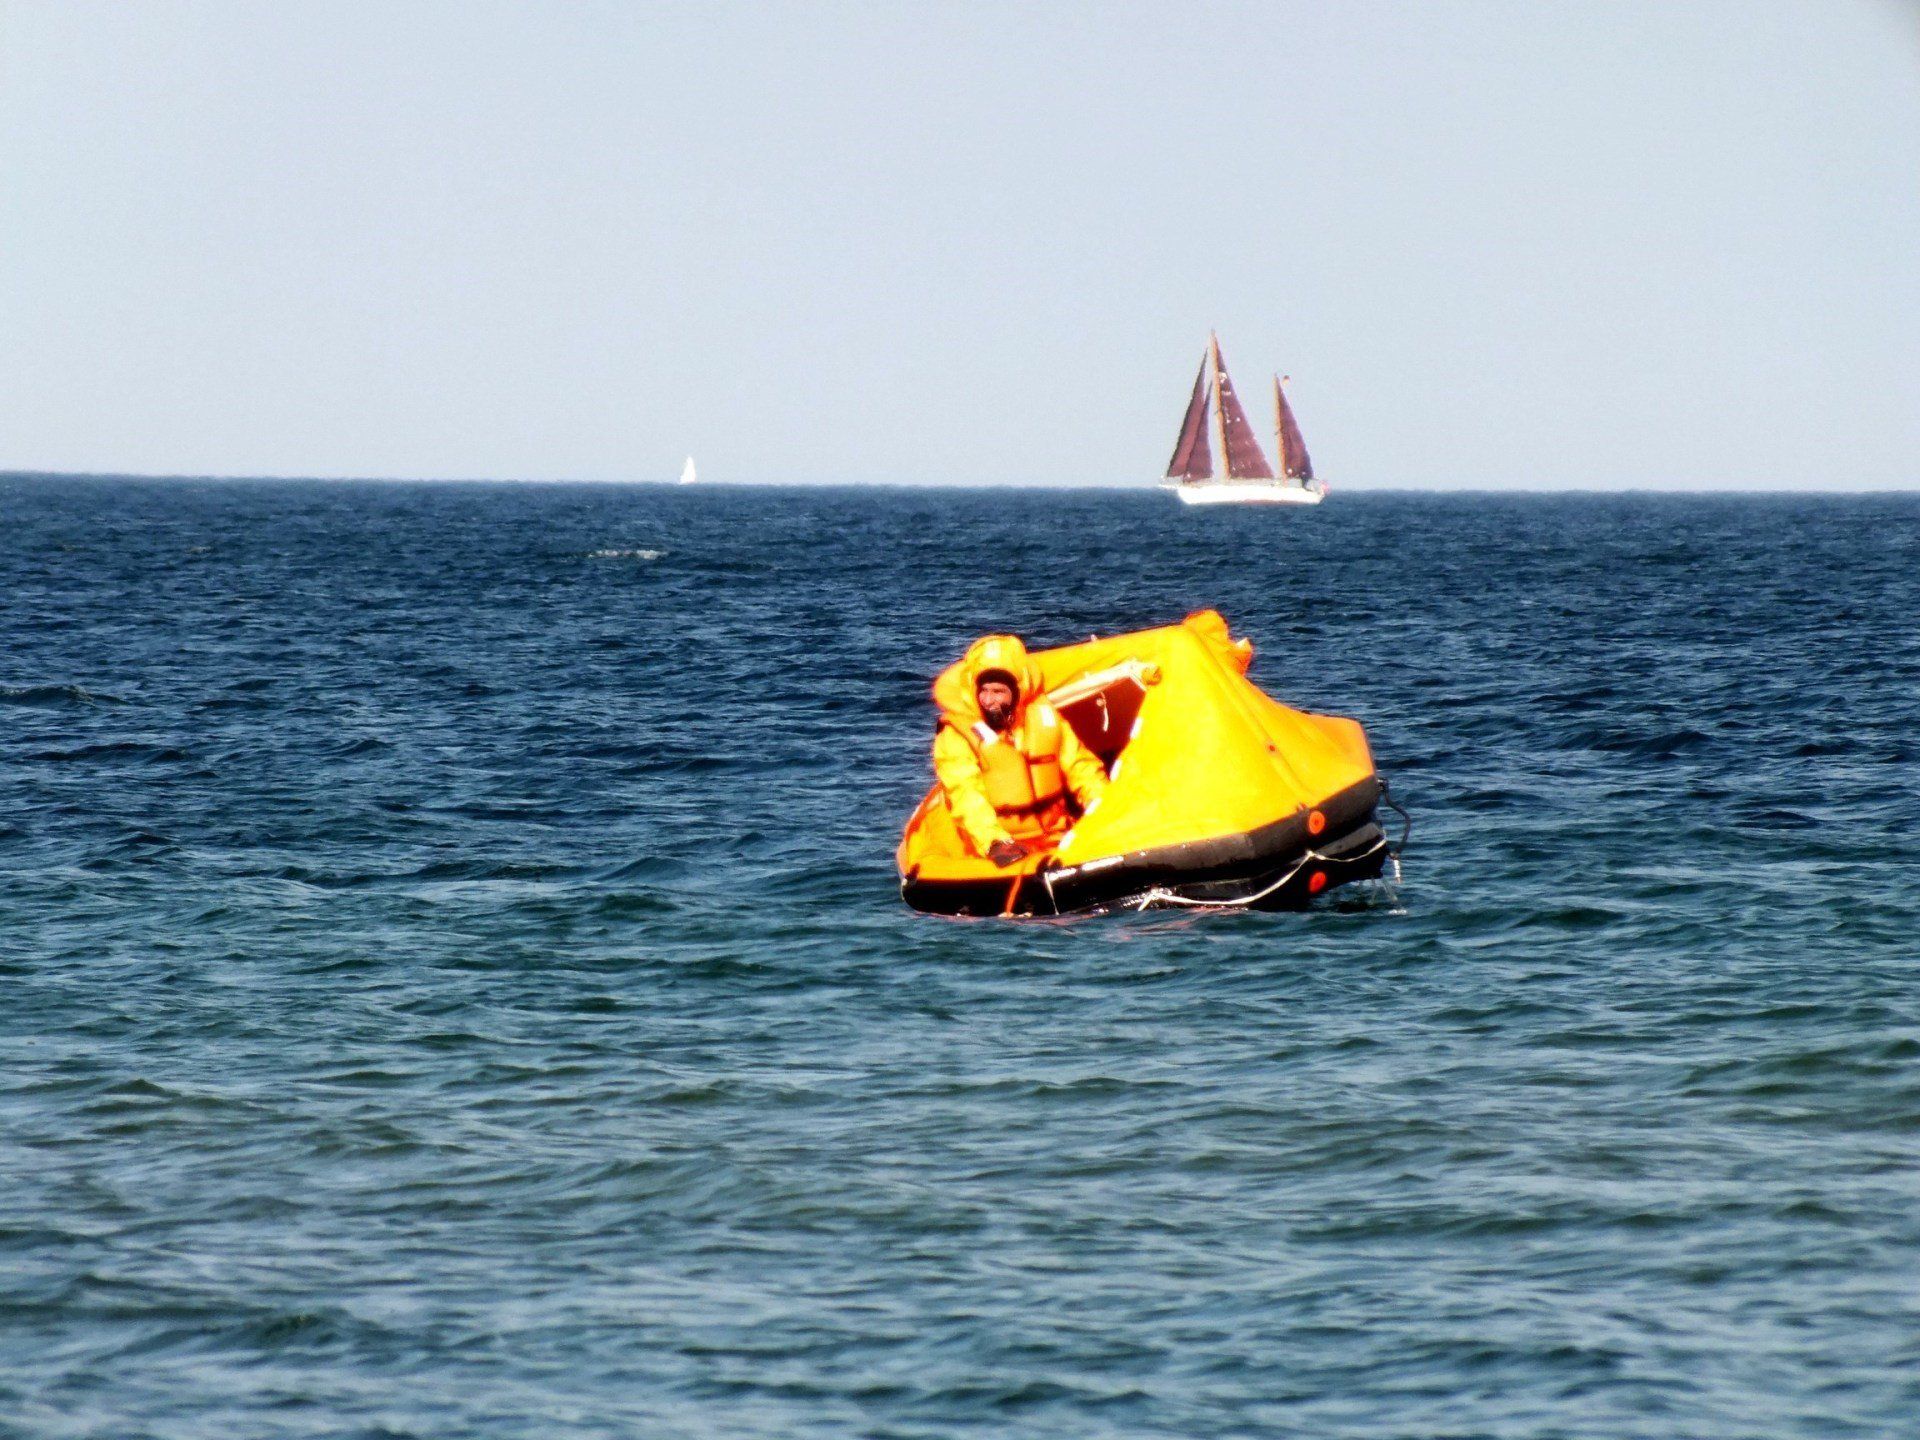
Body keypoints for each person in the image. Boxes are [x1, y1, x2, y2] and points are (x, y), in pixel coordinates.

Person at [931, 634, 1108, 868]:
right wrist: (994, 842)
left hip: (1057, 835)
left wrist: (1104, 808)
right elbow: (965, 795)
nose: (989, 700)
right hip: (999, 846)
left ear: (1016, 692)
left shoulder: (1044, 717)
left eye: (998, 692)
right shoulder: (957, 735)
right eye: (984, 691)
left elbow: (1081, 768)